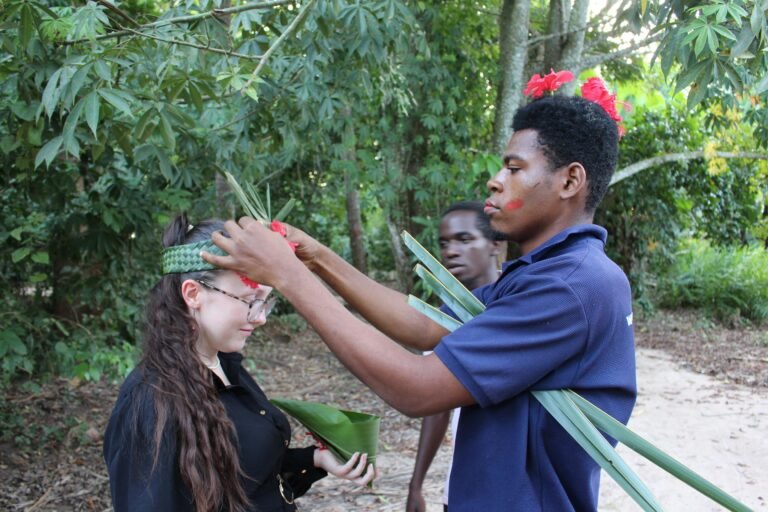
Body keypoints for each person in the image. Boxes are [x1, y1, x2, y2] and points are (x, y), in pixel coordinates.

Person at [202, 95, 636, 511]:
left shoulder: (572, 286)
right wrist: (315, 258)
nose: (495, 180)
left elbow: (417, 387)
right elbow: (426, 325)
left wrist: (287, 276)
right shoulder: (544, 272)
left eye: (515, 167)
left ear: (570, 180)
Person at [103, 215, 375, 512]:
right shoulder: (150, 401)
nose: (261, 318)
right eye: (249, 300)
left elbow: (245, 468)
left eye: (266, 302)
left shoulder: (226, 365)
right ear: (193, 294)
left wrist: (315, 459)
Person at [407, 201, 502, 512]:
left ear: (495, 244)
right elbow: (436, 407)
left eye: (464, 239)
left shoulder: (518, 305)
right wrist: (416, 484)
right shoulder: (443, 319)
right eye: (444, 243)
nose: (450, 251)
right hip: (463, 485)